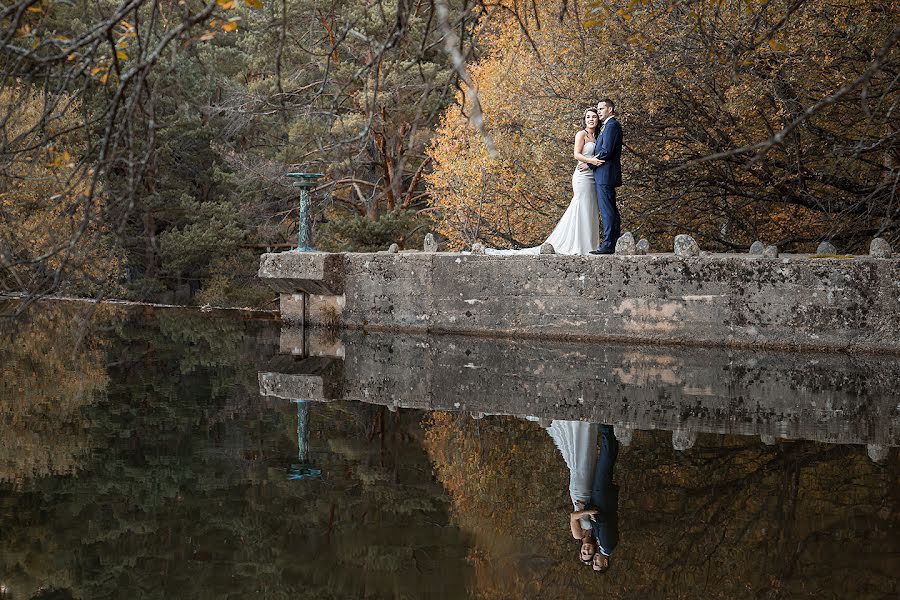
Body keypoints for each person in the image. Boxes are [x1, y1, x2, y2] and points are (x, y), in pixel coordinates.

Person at [486, 108, 601, 255]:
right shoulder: (581, 134)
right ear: (584, 119)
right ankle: (579, 245)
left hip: (592, 176)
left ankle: (590, 244)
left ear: (598, 119)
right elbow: (576, 154)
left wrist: (591, 163)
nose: (591, 119)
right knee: (582, 205)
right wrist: (590, 161)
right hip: (582, 176)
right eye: (588, 117)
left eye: (594, 117)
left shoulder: (596, 137)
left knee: (590, 207)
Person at [545, 420, 600, 564]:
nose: (587, 550)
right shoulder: (595, 533)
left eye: (584, 552)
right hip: (591, 495)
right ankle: (587, 426)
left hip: (579, 493)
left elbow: (573, 516)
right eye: (589, 553)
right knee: (589, 461)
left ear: (581, 548)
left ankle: (578, 426)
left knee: (581, 464)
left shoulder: (579, 534)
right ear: (594, 551)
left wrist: (587, 512)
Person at [582, 99, 623, 255]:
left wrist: (590, 164)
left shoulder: (612, 125)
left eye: (601, 108)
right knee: (609, 209)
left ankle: (608, 245)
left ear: (610, 109)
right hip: (603, 174)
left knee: (607, 210)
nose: (598, 111)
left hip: (605, 174)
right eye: (597, 109)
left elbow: (606, 151)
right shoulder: (607, 126)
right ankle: (614, 241)